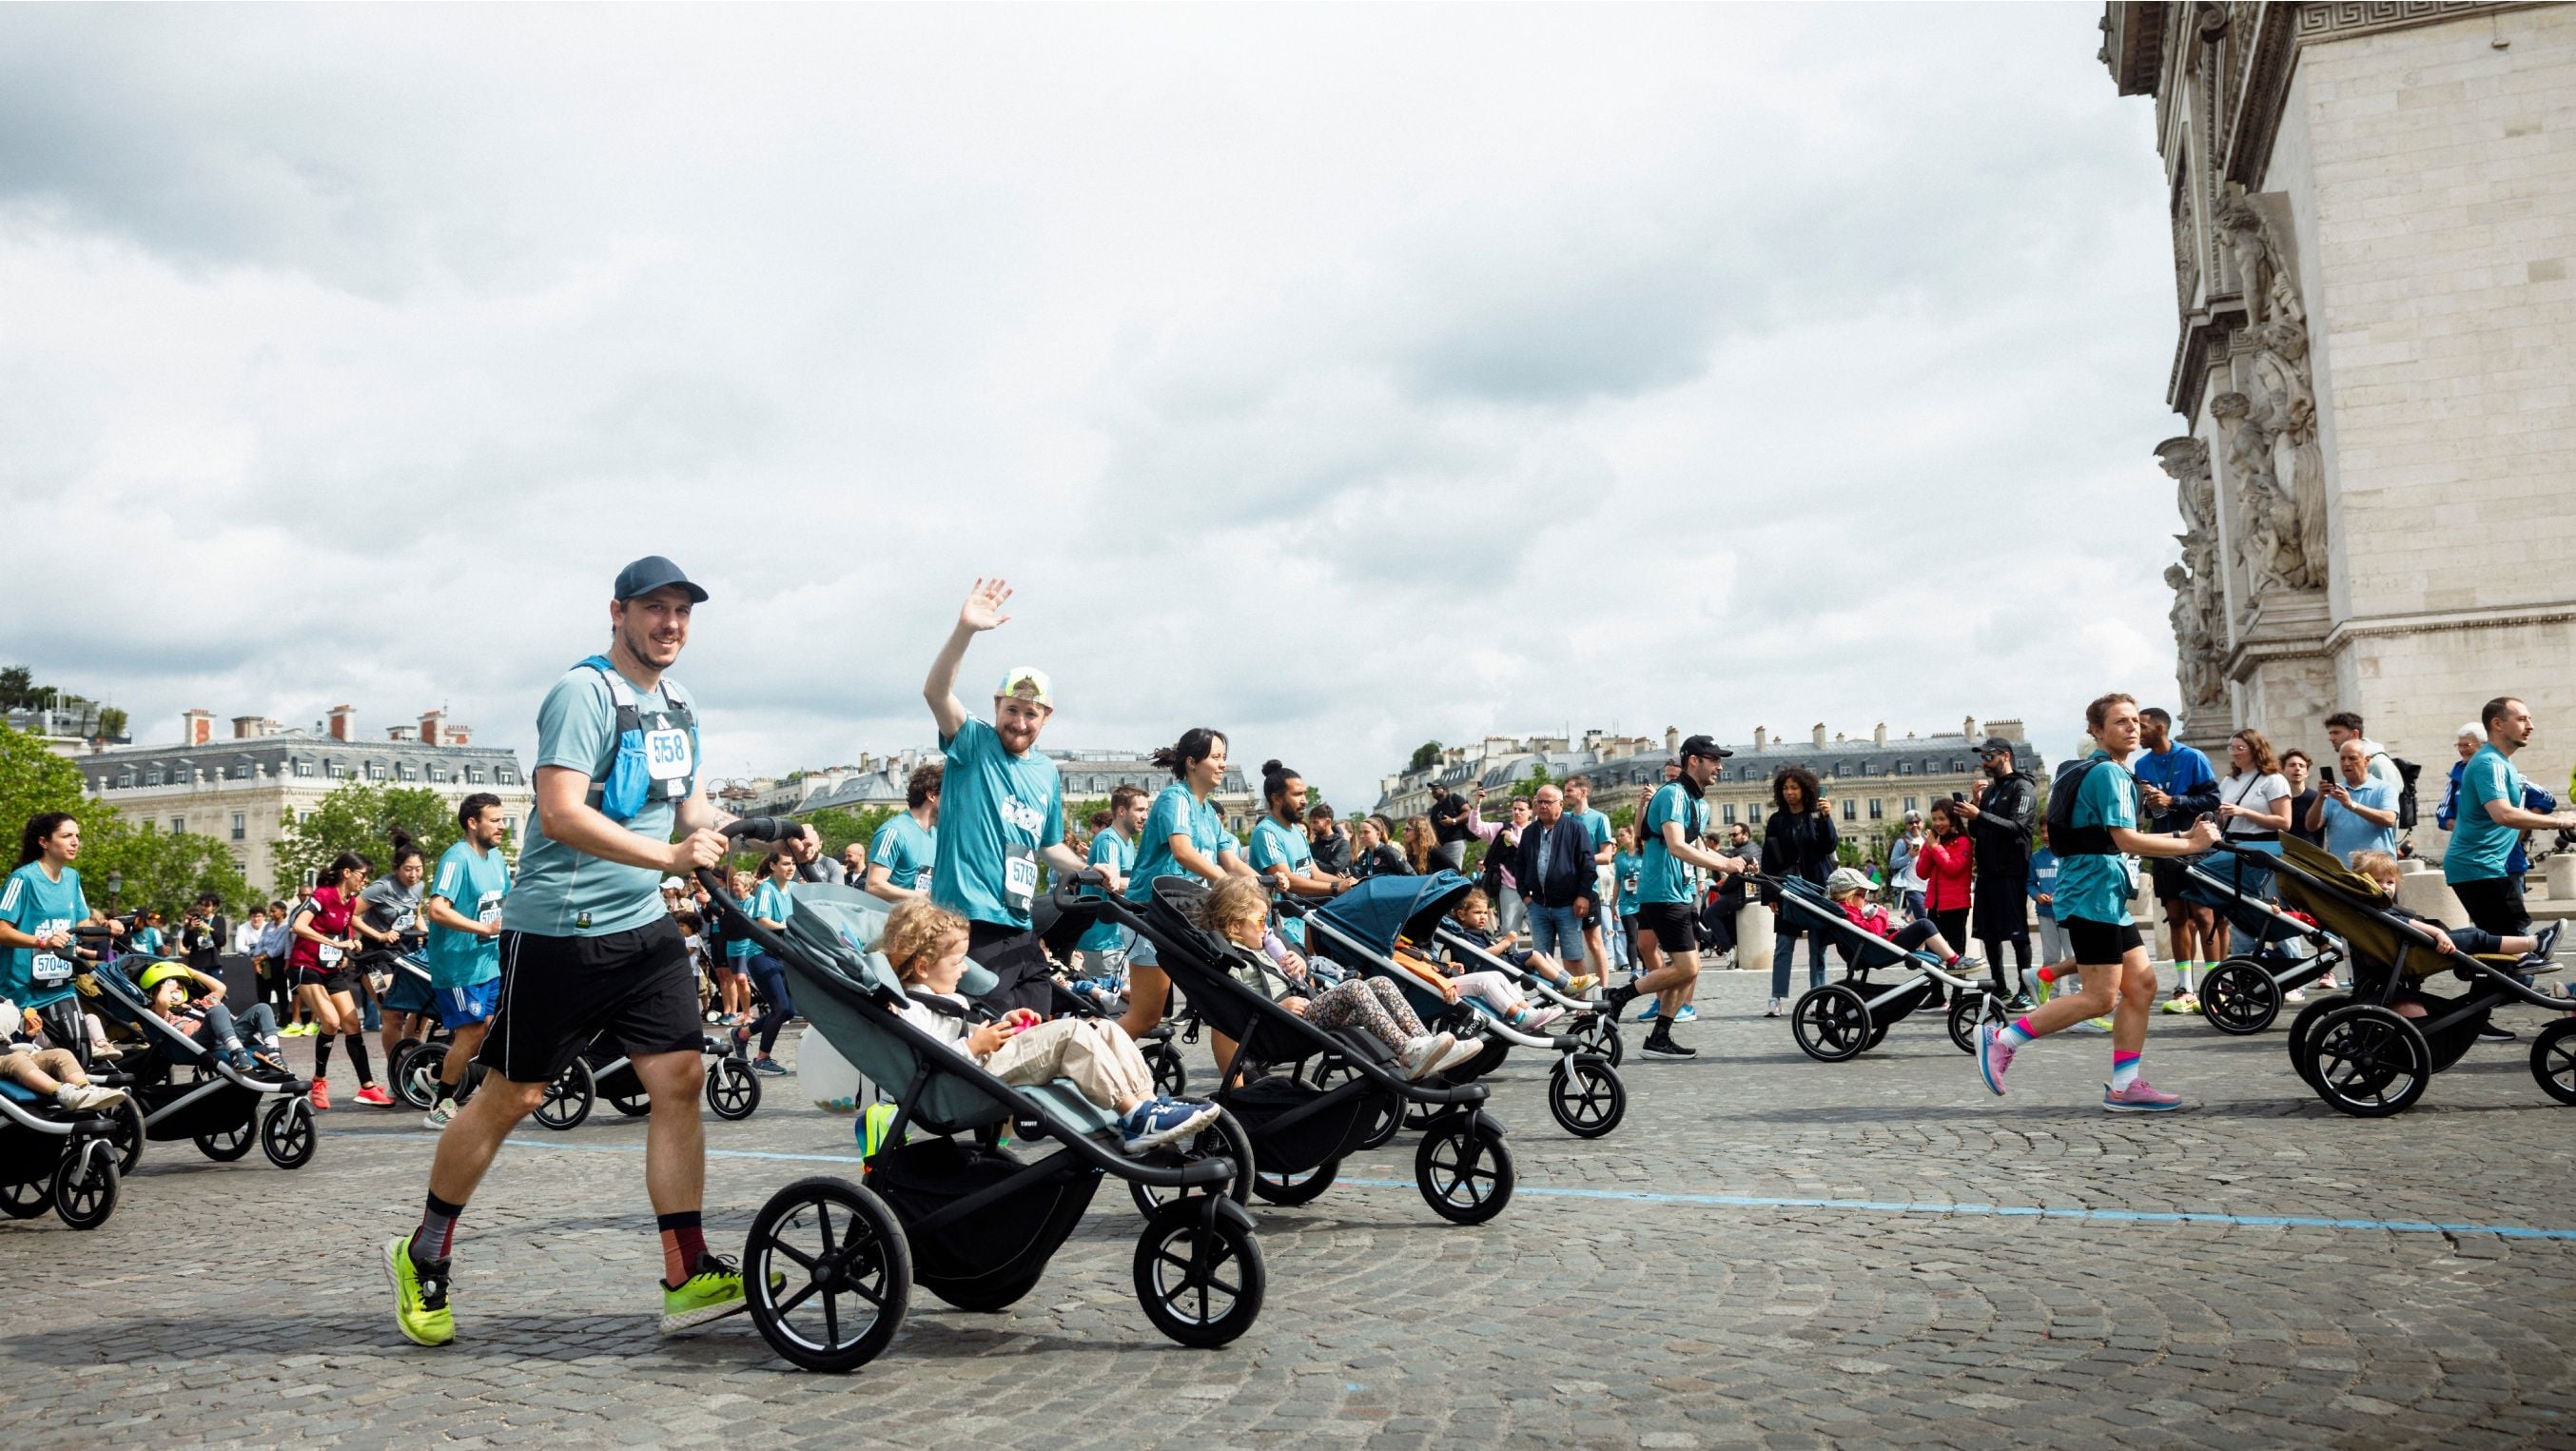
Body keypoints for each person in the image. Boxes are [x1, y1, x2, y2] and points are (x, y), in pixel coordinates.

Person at [388, 555, 821, 1350]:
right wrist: (668, 860)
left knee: (681, 1077)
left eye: (683, 612)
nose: (671, 624)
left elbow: (684, 804)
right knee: (512, 1097)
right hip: (557, 931)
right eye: (656, 609)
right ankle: (425, 1250)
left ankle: (686, 1274)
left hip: (641, 928)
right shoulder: (582, 694)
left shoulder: (680, 703)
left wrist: (765, 825)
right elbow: (558, 814)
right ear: (618, 612)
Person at [1977, 694, 2221, 1110]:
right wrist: (2187, 843)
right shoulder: (2108, 774)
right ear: (2096, 731)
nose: (2132, 728)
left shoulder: (2112, 771)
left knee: (2142, 985)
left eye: (2135, 721)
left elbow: (2114, 842)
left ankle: (2126, 1086)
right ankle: (2002, 1039)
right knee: (2101, 997)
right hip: (2091, 893)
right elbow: (2125, 841)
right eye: (2121, 722)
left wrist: (2185, 839)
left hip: (2102, 891)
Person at [879, 899, 1220, 1153]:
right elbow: (932, 1059)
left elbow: (953, 1034)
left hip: (976, 1068)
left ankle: (1146, 1103)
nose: (965, 969)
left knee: (1104, 1027)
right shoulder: (912, 1008)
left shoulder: (941, 997)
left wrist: (1000, 1026)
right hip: (963, 1083)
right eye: (957, 962)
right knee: (1071, 1033)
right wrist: (973, 1045)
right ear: (923, 967)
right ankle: (1132, 1115)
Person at [922, 578, 1115, 1023]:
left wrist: (1090, 872)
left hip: (1018, 921)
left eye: (1031, 713)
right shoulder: (972, 744)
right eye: (1012, 710)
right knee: (991, 1033)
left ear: (1046, 716)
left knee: (1036, 1024)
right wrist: (965, 630)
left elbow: (1048, 846)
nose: (1020, 722)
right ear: (996, 706)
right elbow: (935, 693)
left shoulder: (1046, 772)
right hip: (967, 920)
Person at [1194, 877, 1476, 1080]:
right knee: (1353, 988)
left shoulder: (1262, 949)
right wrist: (1278, 1007)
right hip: (1281, 1025)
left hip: (1305, 1010)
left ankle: (1425, 1044)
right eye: (1259, 922)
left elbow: (1292, 978)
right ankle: (1407, 1052)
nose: (1266, 929)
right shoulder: (1234, 959)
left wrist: (1298, 968)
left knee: (1380, 984)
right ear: (1234, 925)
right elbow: (1236, 1008)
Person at [1605, 735, 1758, 1055]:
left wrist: (1736, 864)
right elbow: (1675, 845)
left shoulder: (1699, 803)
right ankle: (1618, 997)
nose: (1719, 766)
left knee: (1688, 967)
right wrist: (1727, 864)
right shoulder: (1672, 795)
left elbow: (1696, 847)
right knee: (1688, 967)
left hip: (1682, 891)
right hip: (1662, 892)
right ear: (1694, 761)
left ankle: (1659, 1037)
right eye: (1713, 759)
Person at [1115, 727, 1240, 1041]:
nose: (1223, 764)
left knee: (1229, 1001)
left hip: (1185, 917)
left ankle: (1235, 1087)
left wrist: (1257, 885)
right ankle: (1086, 1057)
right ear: (1191, 762)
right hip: (1152, 915)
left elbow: (1232, 862)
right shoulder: (1176, 798)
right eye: (1216, 757)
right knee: (1145, 1018)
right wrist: (1229, 883)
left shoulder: (1209, 812)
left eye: (1225, 757)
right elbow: (1182, 852)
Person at [2442, 696, 2576, 974]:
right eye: (2523, 719)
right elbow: (2502, 814)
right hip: (2477, 866)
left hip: (2483, 865)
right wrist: (2556, 821)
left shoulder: (2500, 762)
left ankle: (2484, 986)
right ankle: (2479, 986)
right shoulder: (2490, 763)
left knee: (2501, 948)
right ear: (2498, 724)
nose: (2531, 726)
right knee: (2509, 943)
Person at [419, 793, 510, 1128]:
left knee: (489, 1029)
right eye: (495, 820)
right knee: (470, 1034)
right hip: (458, 966)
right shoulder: (456, 859)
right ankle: (442, 1102)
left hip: (490, 961)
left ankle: (436, 1075)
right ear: (473, 823)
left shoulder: (497, 858)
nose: (502, 826)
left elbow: (506, 901)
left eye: (502, 819)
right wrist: (483, 927)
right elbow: (437, 910)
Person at [2132, 707, 2219, 1015]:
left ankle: (2215, 986)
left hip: (2196, 845)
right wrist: (2147, 804)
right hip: (2163, 844)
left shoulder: (2192, 757)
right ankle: (2186, 988)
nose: (2137, 731)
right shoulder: (2141, 764)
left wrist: (2173, 801)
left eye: (2141, 725)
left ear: (2160, 727)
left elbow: (2213, 801)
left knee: (2205, 915)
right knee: (2176, 916)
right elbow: (2140, 812)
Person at [290, 852, 389, 1109]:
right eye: (362, 875)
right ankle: (319, 1081)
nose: (365, 881)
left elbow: (344, 928)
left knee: (352, 1023)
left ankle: (367, 1087)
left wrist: (352, 942)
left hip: (331, 969)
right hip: (306, 966)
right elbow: (298, 926)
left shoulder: (349, 902)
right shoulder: (322, 895)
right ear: (346, 872)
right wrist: (335, 942)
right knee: (332, 1022)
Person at [2353, 852, 2557, 966]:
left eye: (2390, 881)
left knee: (2473, 933)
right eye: (2378, 881)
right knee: (2476, 937)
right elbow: (2407, 923)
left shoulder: (2373, 905)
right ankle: (2535, 944)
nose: (2385, 886)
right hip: (2414, 949)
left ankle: (2522, 957)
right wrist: (2439, 933)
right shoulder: (2375, 909)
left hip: (2411, 946)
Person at [1955, 738, 2038, 1004]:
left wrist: (1979, 815)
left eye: (1989, 757)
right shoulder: (1990, 791)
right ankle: (1999, 986)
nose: (1984, 762)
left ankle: (2026, 990)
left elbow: (2017, 827)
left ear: (2005, 756)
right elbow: (1978, 832)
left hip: (2011, 870)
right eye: (1982, 757)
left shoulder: (2022, 787)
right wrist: (1977, 805)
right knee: (1988, 934)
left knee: (2017, 933)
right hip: (1988, 872)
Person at [2211, 728, 2294, 985]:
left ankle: (2292, 968)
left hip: (2264, 851)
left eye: (2239, 748)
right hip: (2234, 847)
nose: (2234, 753)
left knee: (2273, 908)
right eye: (2231, 748)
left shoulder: (2273, 780)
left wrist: (2244, 812)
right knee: (2238, 908)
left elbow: (2284, 822)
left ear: (2255, 750)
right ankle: (2245, 969)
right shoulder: (2229, 781)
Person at [1758, 766, 1838, 1017]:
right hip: (1786, 888)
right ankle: (1776, 997)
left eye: (1794, 787)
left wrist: (1826, 818)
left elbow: (1829, 845)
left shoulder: (1816, 816)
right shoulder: (1776, 820)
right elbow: (1768, 859)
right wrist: (1769, 894)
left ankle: (1818, 997)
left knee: (1818, 945)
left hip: (1816, 887)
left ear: (1805, 790)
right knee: (1784, 944)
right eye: (1785, 788)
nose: (1789, 792)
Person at [358, 833, 434, 1092]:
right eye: (408, 869)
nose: (413, 875)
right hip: (373, 958)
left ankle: (411, 1064)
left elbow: (416, 915)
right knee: (392, 1014)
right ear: (396, 868)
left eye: (418, 869)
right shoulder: (382, 887)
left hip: (403, 954)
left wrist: (429, 935)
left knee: (421, 1008)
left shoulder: (419, 887)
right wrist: (379, 935)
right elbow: (351, 915)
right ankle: (395, 1074)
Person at [1249, 762, 1349, 951]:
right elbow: (1287, 880)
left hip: (1298, 925)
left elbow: (1314, 874)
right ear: (1277, 798)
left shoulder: (1297, 832)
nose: (1304, 800)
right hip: (1275, 931)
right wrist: (1336, 887)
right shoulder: (1266, 832)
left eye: (1304, 793)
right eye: (1297, 794)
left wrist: (1351, 884)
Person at [137, 960, 286, 1074]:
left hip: (226, 1037)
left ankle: (273, 1051)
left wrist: (191, 973)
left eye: (178, 989)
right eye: (171, 990)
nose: (174, 992)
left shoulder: (198, 1004)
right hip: (197, 1042)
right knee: (217, 1011)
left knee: (262, 1008)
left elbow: (220, 988)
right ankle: (237, 1054)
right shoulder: (161, 1012)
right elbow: (162, 1001)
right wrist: (165, 986)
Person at [1513, 785, 1597, 984]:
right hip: (1538, 905)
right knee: (1541, 958)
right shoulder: (1530, 832)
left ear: (1560, 804)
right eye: (1539, 802)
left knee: (1573, 956)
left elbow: (1588, 865)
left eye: (1547, 802)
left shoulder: (1575, 828)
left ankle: (1580, 1003)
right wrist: (1525, 895)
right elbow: (1519, 865)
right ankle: (1550, 1000)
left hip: (1568, 905)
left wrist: (1583, 895)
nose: (1542, 806)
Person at [732, 852, 802, 1077]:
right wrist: (787, 927)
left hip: (782, 954)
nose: (790, 868)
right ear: (773, 865)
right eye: (785, 864)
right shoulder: (766, 889)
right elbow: (762, 920)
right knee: (780, 1008)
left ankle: (742, 1035)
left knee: (788, 1011)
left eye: (792, 864)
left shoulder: (793, 889)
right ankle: (762, 1059)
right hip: (760, 954)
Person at [1447, 887, 1585, 992]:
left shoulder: (1476, 932)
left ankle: (1570, 980)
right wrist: (1506, 942)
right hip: (1490, 969)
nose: (1483, 916)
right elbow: (1484, 953)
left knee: (1543, 953)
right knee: (1535, 956)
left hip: (1497, 964)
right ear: (1462, 915)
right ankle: (1566, 986)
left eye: (1484, 912)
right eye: (1477, 913)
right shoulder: (1465, 936)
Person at [1073, 785, 1147, 982]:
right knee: (1111, 1006)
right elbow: (1111, 883)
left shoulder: (1127, 842)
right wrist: (1147, 885)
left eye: (1146, 810)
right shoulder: (1109, 840)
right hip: (1102, 942)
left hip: (1114, 939)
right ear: (1122, 811)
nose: (1145, 816)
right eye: (1140, 810)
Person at [0, 1009, 127, 1111]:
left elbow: (14, 1043)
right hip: (10, 1059)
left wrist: (28, 1036)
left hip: (14, 1052)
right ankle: (62, 1092)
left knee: (61, 1053)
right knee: (16, 1059)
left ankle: (85, 1089)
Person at [1562, 775, 1618, 983]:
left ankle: (1602, 990)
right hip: (1565, 888)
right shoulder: (1564, 818)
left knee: (1594, 942)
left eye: (1569, 790)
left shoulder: (1599, 818)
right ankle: (1578, 992)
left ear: (1583, 791)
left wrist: (1579, 860)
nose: (1565, 794)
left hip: (1588, 888)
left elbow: (1606, 855)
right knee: (1571, 945)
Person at [1916, 801, 1975, 993]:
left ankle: (1957, 995)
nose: (1938, 823)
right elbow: (1921, 872)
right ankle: (1937, 995)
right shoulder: (1934, 841)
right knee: (1932, 954)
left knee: (1956, 953)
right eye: (1934, 819)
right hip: (1935, 905)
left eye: (1942, 818)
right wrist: (1930, 847)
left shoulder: (1963, 842)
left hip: (1956, 906)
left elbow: (1953, 869)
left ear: (1952, 819)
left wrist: (1935, 848)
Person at [862, 763, 941, 906]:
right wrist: (921, 897)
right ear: (931, 795)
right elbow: (873, 886)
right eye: (949, 794)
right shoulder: (893, 832)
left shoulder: (936, 835)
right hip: (894, 923)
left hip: (922, 923)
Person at [2311, 738, 2399, 865]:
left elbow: (2389, 819)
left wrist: (2351, 805)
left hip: (2378, 870)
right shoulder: (2334, 792)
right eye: (2342, 759)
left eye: (2352, 758)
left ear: (2367, 761)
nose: (2346, 763)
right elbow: (2312, 826)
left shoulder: (2384, 788)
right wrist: (2320, 798)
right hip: (2342, 871)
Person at [2322, 712, 2405, 797]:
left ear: (2355, 734)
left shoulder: (2377, 763)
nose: (2331, 738)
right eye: (2330, 733)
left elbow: (2388, 805)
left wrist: (2352, 805)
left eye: (2336, 733)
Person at [2026, 833, 2069, 978]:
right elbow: (2029, 882)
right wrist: (2036, 895)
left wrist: (2059, 897)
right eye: (2042, 831)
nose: (2045, 835)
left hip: (2067, 914)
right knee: (2050, 957)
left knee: (2073, 956)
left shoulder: (2069, 856)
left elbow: (2075, 882)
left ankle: (2078, 992)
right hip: (2045, 913)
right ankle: (2051, 994)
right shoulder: (2036, 858)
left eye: (2049, 832)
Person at [1610, 825, 1645, 977]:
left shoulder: (1643, 854)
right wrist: (1613, 905)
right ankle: (1634, 971)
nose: (1619, 838)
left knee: (1644, 938)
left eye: (1622, 835)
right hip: (1626, 903)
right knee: (1631, 936)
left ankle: (1646, 967)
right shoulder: (1619, 858)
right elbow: (1617, 882)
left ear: (1631, 835)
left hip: (1643, 901)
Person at [1427, 780, 1479, 873]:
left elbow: (1469, 812)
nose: (1433, 791)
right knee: (1443, 873)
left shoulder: (1454, 798)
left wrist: (1453, 821)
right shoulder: (1435, 808)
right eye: (1431, 789)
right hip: (1440, 845)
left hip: (1455, 841)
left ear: (1444, 788)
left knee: (1452, 871)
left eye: (1435, 788)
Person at [2280, 750, 2326, 849]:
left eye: (2301, 766)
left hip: (2310, 856)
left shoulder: (2317, 798)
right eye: (2292, 765)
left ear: (2307, 772)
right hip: (2283, 855)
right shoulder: (2277, 800)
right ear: (2282, 770)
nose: (2297, 768)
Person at [1887, 812, 1929, 922]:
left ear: (1922, 823)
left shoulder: (1927, 840)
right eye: (1911, 823)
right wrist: (1908, 856)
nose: (1914, 825)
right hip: (1912, 886)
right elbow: (1893, 863)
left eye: (1917, 822)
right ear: (1906, 825)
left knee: (1928, 919)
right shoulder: (1902, 842)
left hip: (1929, 886)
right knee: (1923, 918)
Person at [1349, 814, 1410, 880]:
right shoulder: (1364, 856)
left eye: (1366, 832)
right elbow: (1359, 877)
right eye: (1361, 832)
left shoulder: (1390, 853)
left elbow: (1411, 875)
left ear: (1378, 834)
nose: (1362, 836)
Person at [1307, 805, 1352, 879]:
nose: (1312, 826)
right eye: (1311, 822)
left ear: (1328, 822)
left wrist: (1310, 861)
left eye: (1315, 822)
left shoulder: (1342, 844)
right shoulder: (1312, 846)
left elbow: (1334, 870)